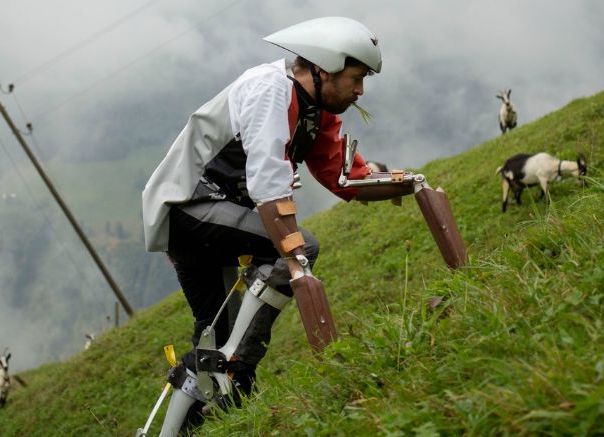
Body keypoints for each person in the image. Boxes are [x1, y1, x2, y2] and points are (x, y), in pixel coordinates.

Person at [141, 16, 415, 435]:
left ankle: (180, 428)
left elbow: (341, 176)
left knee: (214, 338)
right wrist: (294, 253)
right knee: (299, 246)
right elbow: (268, 188)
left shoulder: (315, 109)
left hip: (208, 216)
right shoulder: (270, 90)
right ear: (324, 68)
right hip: (189, 207)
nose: (360, 91)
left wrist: (406, 185)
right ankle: (238, 368)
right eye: (356, 78)